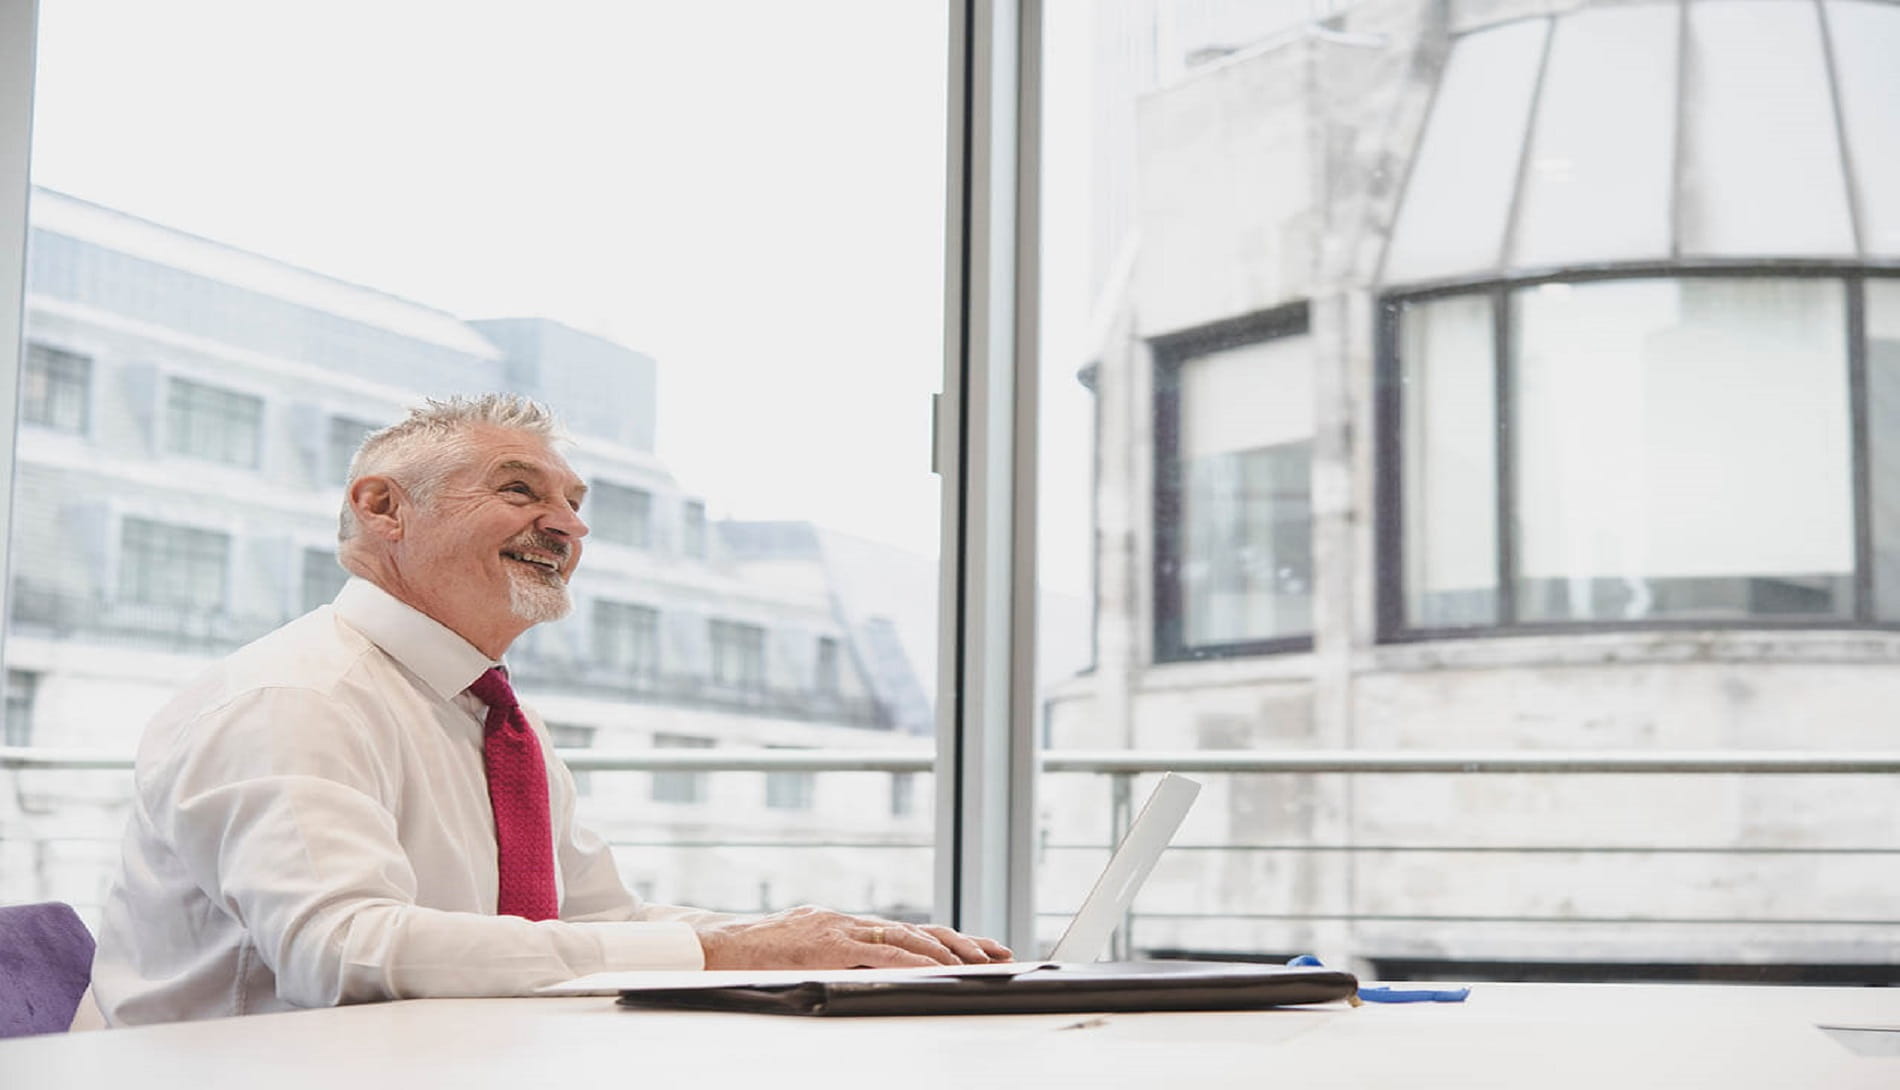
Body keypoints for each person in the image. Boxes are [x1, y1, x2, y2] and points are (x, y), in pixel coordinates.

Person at [91, 394, 1009, 1026]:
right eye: (520, 490)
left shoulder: (487, 715)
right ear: (382, 508)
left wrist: (828, 944)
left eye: (574, 503)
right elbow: (344, 953)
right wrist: (730, 950)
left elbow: (599, 921)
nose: (569, 525)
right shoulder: (295, 698)